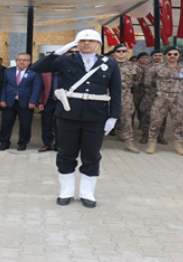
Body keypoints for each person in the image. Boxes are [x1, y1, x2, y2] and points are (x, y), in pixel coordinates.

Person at [31, 30, 121, 208]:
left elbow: (116, 92)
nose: (86, 43)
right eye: (82, 40)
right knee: (66, 154)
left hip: (96, 116)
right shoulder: (65, 60)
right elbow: (37, 67)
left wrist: (113, 116)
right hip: (68, 114)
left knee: (92, 155)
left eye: (91, 41)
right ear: (76, 43)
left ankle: (87, 193)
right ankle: (66, 191)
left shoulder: (109, 63)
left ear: (98, 44)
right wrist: (60, 50)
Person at [144, 45, 183, 155]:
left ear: (179, 55)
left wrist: (182, 88)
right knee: (155, 121)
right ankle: (152, 145)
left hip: (177, 98)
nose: (172, 56)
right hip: (161, 98)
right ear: (165, 55)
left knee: (178, 122)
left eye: (175, 54)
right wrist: (158, 88)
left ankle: (178, 146)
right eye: (170, 54)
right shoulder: (157, 67)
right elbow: (148, 81)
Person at [0, 53, 42, 151]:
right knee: (6, 123)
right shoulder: (8, 71)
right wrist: (2, 99)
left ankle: (23, 143)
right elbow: (3, 87)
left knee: (25, 124)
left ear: (29, 62)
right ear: (16, 61)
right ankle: (4, 142)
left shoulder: (34, 73)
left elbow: (36, 89)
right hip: (9, 102)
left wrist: (33, 101)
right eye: (19, 60)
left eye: (24, 60)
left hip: (26, 103)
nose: (21, 62)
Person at [38, 47, 77, 152]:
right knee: (46, 124)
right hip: (48, 101)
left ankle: (59, 144)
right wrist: (40, 102)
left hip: (62, 101)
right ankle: (47, 144)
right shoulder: (45, 73)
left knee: (61, 124)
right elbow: (40, 88)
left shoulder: (66, 73)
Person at [112, 44, 143, 153]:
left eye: (124, 51)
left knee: (127, 119)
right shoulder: (106, 65)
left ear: (127, 53)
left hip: (125, 95)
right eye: (119, 51)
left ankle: (129, 143)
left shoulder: (134, 67)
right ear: (114, 53)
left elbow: (138, 80)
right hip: (107, 95)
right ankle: (96, 143)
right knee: (100, 118)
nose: (121, 53)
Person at [139, 50, 167, 144]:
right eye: (156, 55)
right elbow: (139, 81)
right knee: (146, 116)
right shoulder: (144, 67)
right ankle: (145, 136)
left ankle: (160, 137)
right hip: (148, 95)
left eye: (160, 55)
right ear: (151, 56)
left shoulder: (166, 67)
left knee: (162, 117)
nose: (158, 57)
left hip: (162, 95)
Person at [133, 52, 149, 125]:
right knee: (133, 108)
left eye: (146, 58)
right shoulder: (134, 67)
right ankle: (131, 123)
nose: (144, 59)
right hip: (136, 91)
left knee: (144, 108)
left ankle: (142, 123)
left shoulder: (150, 68)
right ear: (139, 59)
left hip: (146, 91)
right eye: (142, 58)